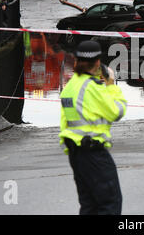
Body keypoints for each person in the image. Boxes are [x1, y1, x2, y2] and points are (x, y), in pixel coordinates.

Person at [59, 40, 127, 215]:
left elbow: (66, 122)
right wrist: (111, 85)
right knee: (109, 203)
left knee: (89, 205)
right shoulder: (92, 87)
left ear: (76, 60)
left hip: (76, 154)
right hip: (94, 153)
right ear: (98, 62)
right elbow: (117, 112)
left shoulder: (70, 87)